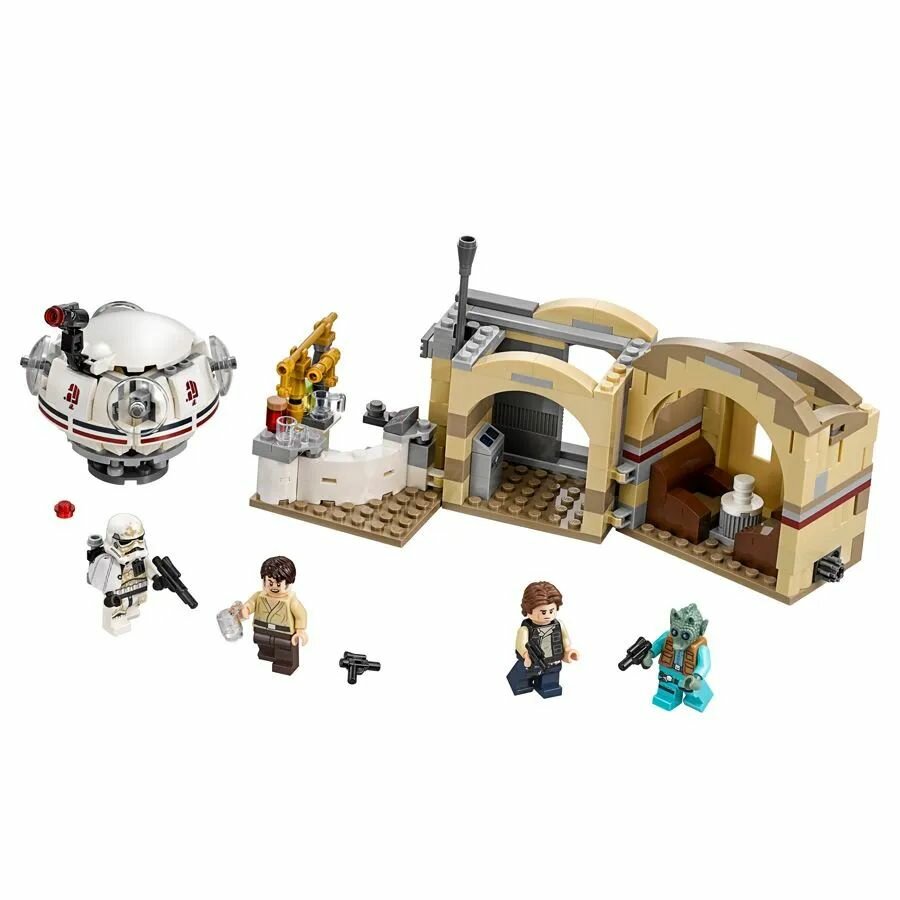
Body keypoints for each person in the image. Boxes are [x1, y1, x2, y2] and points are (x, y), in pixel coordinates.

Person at [233, 556, 308, 675]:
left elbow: (301, 614)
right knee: (263, 644)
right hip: (262, 629)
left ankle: (284, 663)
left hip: (283, 633)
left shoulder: (291, 601)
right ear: (264, 581)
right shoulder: (259, 596)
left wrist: (300, 630)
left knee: (284, 649)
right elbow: (250, 604)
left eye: (278, 584)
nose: (274, 587)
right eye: (270, 583)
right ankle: (267, 654)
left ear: (288, 583)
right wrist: (244, 610)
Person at [506, 581, 578, 699]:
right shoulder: (525, 629)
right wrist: (526, 655)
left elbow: (565, 638)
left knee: (551, 677)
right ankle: (521, 684)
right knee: (522, 676)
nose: (548, 615)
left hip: (552, 660)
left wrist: (568, 650)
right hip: (531, 661)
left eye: (551, 611)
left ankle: (547, 686)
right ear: (528, 611)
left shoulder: (559, 625)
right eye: (543, 612)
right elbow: (521, 644)